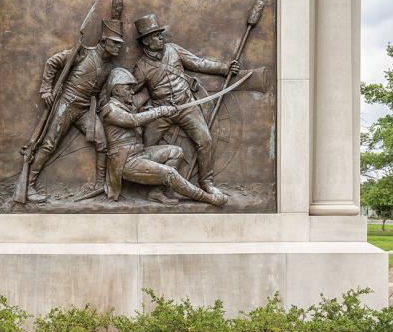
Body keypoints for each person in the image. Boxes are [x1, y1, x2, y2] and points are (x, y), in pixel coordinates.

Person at [130, 13, 239, 197]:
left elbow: (198, 63)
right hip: (161, 112)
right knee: (143, 148)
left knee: (205, 140)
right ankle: (154, 188)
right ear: (147, 41)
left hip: (186, 105)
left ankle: (207, 182)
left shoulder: (174, 50)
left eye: (160, 34)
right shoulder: (141, 67)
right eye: (156, 36)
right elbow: (130, 91)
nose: (160, 38)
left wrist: (224, 68)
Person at [25, 18, 124, 202]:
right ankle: (28, 187)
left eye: (120, 44)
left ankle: (99, 185)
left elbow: (101, 93)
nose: (119, 47)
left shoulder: (110, 67)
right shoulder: (83, 53)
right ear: (104, 41)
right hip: (66, 104)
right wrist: (46, 89)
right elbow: (53, 62)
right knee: (49, 144)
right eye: (115, 43)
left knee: (102, 142)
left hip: (85, 109)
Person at [99, 68, 227, 207]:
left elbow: (136, 115)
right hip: (125, 162)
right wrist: (161, 110)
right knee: (169, 173)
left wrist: (147, 110)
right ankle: (207, 197)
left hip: (139, 154)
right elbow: (133, 120)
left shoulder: (126, 107)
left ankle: (157, 192)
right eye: (128, 88)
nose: (132, 91)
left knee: (176, 152)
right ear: (116, 90)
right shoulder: (110, 109)